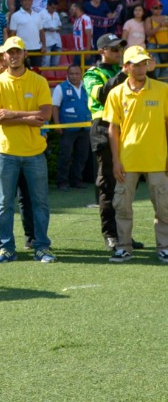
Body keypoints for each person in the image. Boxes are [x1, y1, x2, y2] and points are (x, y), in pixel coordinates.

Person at [0, 36, 55, 263]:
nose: (14, 56)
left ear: (25, 54)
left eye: (17, 52)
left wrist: (11, 114)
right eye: (10, 53)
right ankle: (6, 248)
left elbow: (45, 115)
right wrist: (27, 117)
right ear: (4, 57)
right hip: (5, 150)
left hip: (34, 151)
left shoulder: (38, 81)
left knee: (39, 202)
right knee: (5, 203)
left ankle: (41, 246)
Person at [103, 45, 168, 263]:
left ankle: (165, 247)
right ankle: (123, 247)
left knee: (164, 206)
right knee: (122, 206)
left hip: (158, 159)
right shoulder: (115, 93)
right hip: (127, 160)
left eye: (144, 64)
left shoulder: (163, 89)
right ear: (126, 67)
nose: (141, 69)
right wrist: (115, 160)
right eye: (136, 65)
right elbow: (113, 129)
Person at [84, 33, 129, 250]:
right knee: (108, 184)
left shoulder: (128, 73)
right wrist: (123, 74)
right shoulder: (92, 74)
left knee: (125, 185)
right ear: (102, 51)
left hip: (127, 128)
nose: (118, 53)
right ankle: (110, 235)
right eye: (113, 49)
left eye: (120, 49)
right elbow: (102, 95)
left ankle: (124, 234)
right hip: (103, 127)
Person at [51, 64, 91, 191]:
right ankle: (62, 181)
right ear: (67, 75)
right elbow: (55, 106)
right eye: (72, 74)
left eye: (77, 73)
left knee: (82, 156)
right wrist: (57, 124)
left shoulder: (87, 87)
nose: (74, 76)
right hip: (68, 128)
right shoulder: (61, 88)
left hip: (85, 127)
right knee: (65, 156)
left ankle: (76, 180)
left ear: (81, 74)